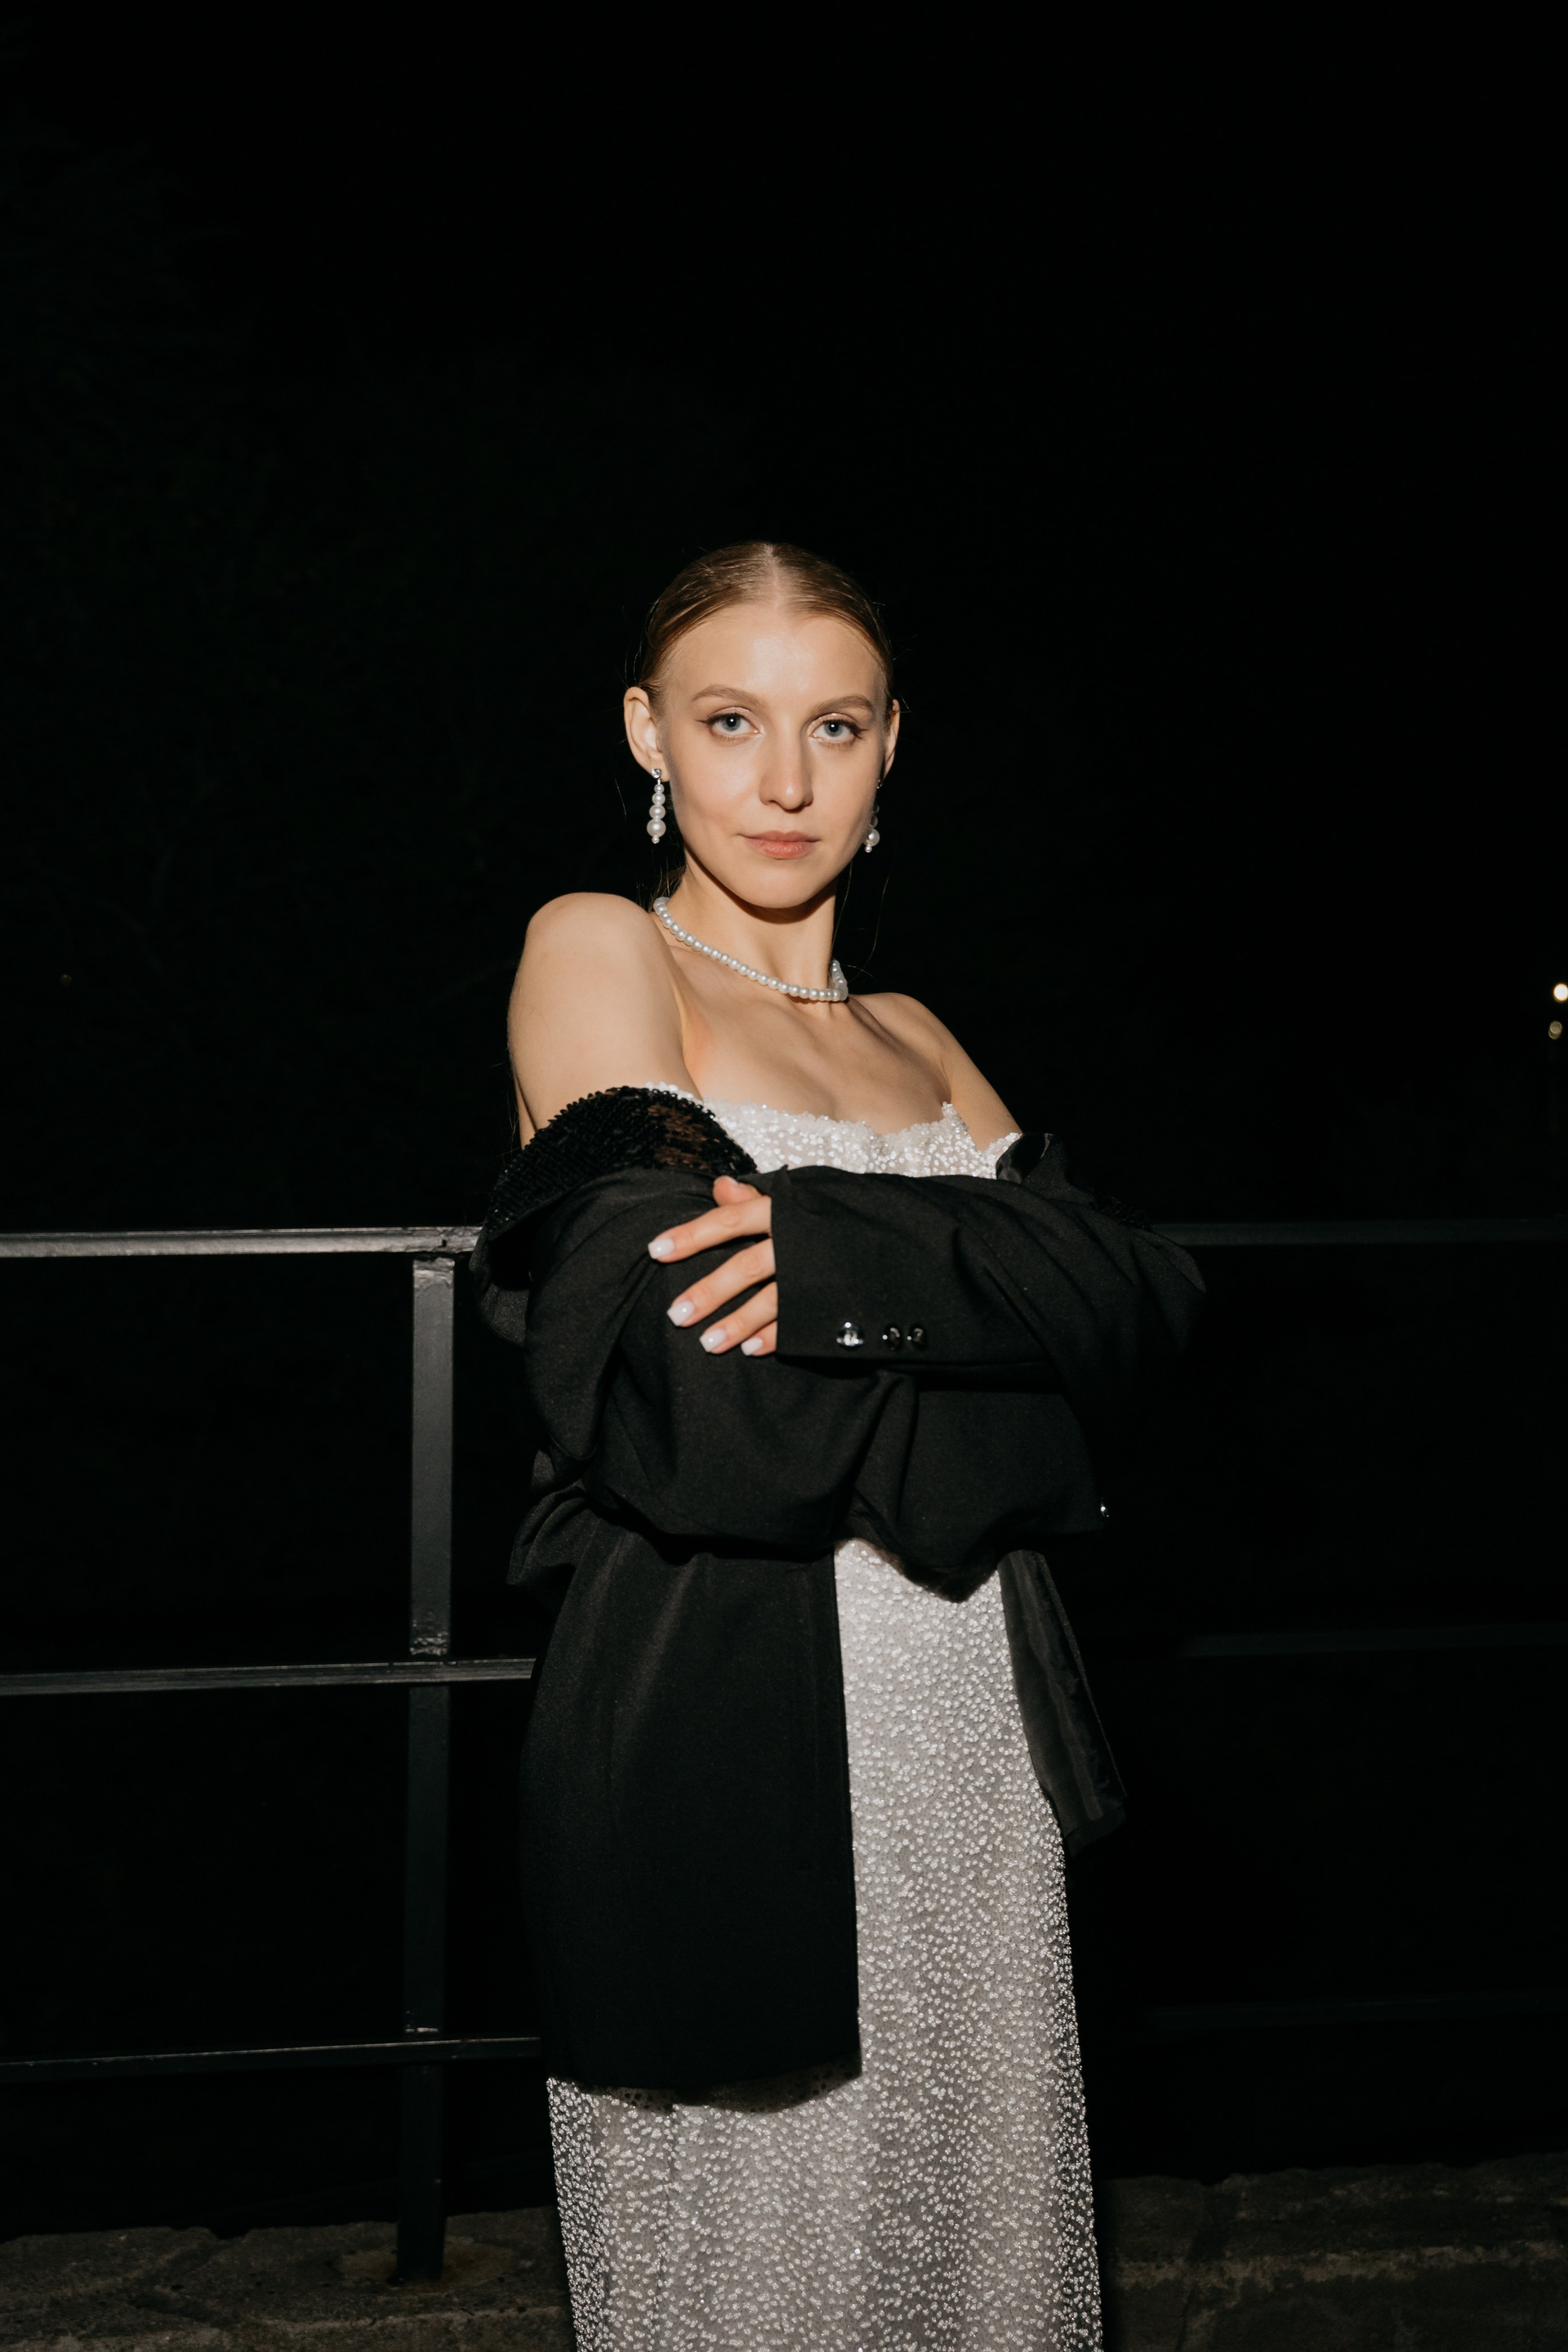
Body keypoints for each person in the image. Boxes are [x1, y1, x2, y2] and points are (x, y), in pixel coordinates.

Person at [473, 541, 1203, 2350]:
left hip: (973, 1739)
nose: (786, 781)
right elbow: (698, 1417)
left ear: (892, 747)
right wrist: (993, 1322)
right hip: (725, 1723)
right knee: (762, 2279)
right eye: (731, 721)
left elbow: (1147, 1313)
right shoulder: (601, 948)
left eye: (837, 726)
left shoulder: (918, 1035)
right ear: (648, 733)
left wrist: (835, 1256)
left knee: (976, 2258)